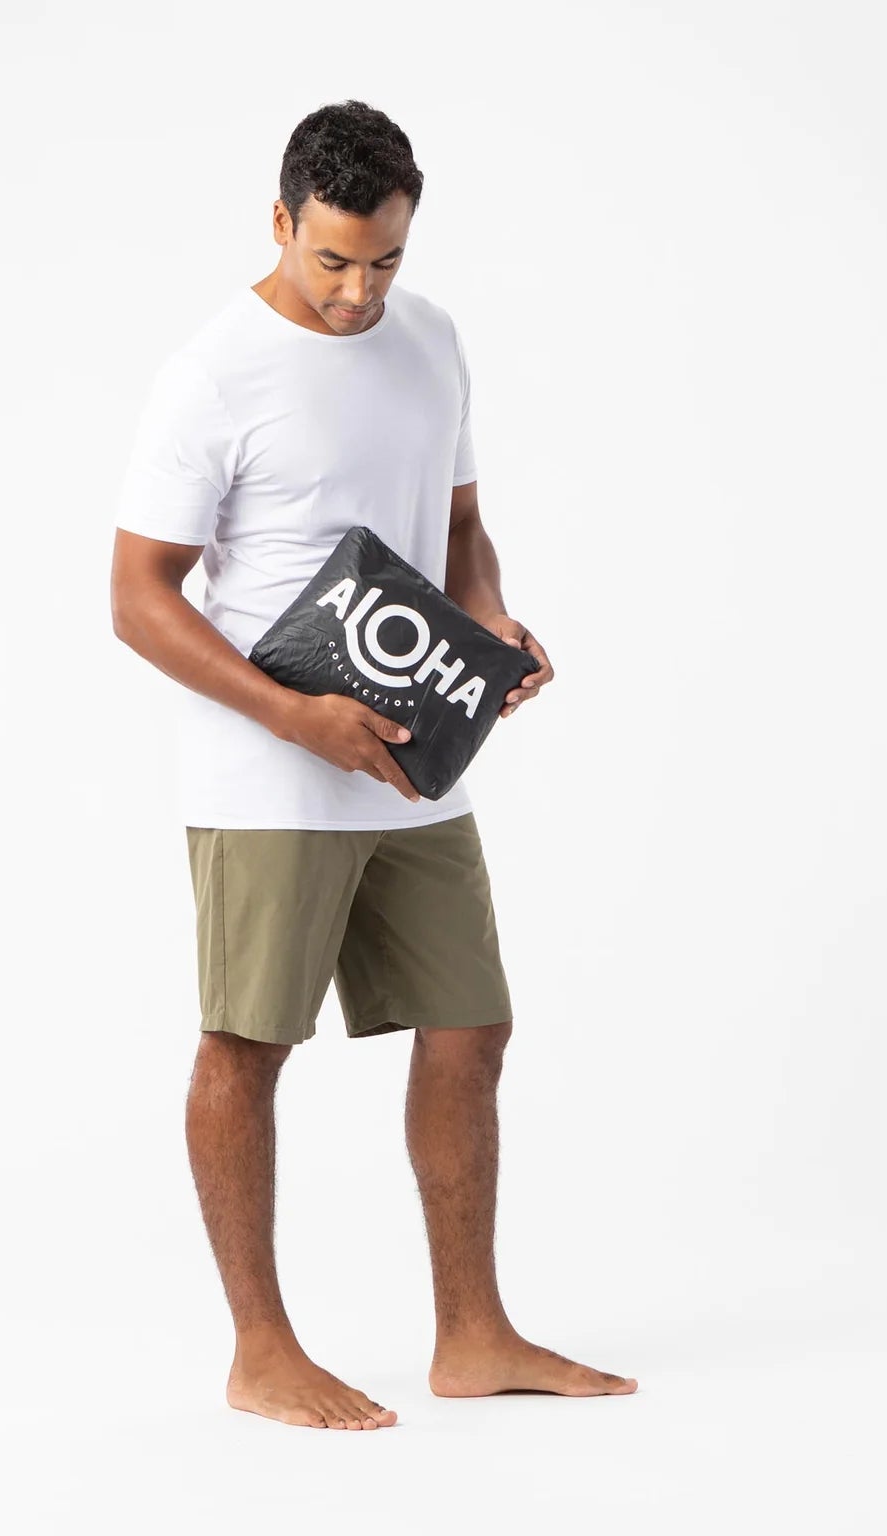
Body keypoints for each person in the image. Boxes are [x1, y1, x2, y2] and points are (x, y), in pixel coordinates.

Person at [110, 99, 637, 1431]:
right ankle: (261, 1352)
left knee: (472, 1025)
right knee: (249, 1042)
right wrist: (295, 718)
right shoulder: (212, 375)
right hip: (272, 772)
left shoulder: (432, 339)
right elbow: (138, 598)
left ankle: (473, 1334)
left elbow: (460, 526)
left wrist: (492, 622)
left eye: (386, 260)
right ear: (281, 221)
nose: (359, 292)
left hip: (413, 758)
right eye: (333, 259)